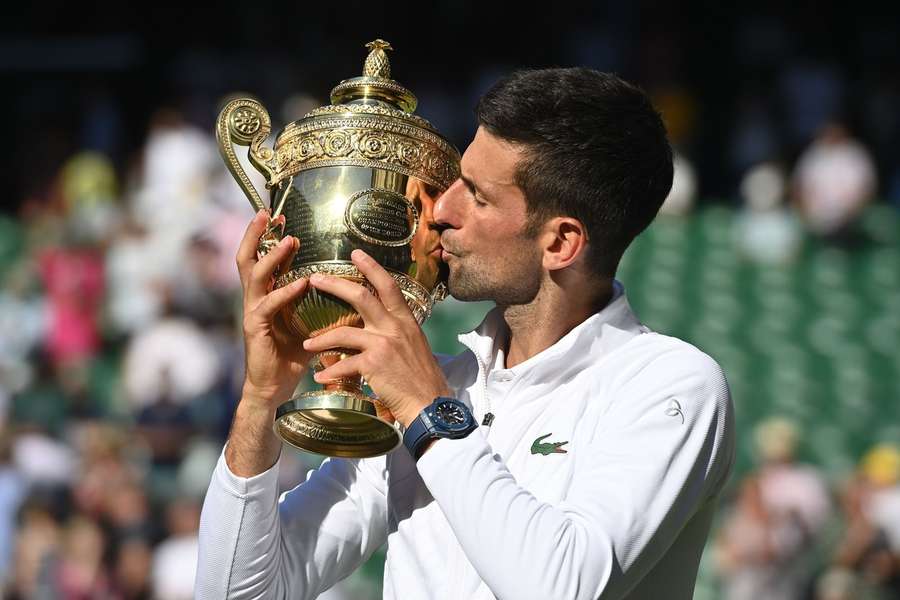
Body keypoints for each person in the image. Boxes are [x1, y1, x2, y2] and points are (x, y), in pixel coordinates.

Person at [196, 68, 735, 600]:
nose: (441, 211)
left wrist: (429, 411)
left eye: (476, 195)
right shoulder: (443, 390)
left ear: (561, 243)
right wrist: (261, 400)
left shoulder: (671, 386)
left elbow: (562, 587)